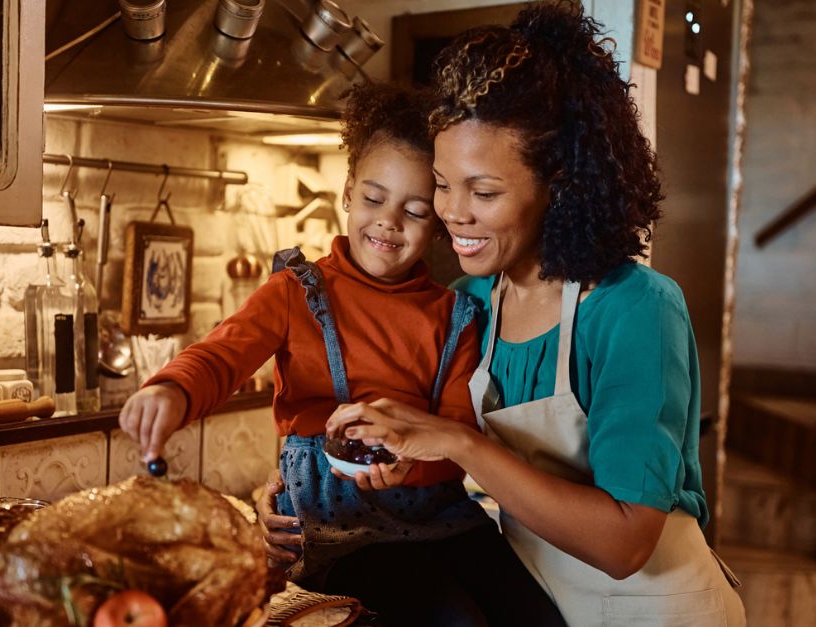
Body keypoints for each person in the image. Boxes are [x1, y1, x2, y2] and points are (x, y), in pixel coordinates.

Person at [295, 3, 748, 625]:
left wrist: (458, 441)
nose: (453, 213)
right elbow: (432, 460)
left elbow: (624, 544)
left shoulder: (633, 307)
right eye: (444, 184)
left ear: (559, 185)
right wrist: (305, 500)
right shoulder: (473, 305)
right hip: (537, 604)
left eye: (483, 192)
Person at [120, 82, 565, 627]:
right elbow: (221, 355)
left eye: (416, 210)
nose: (388, 221)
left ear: (441, 223)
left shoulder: (457, 318)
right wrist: (171, 388)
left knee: (535, 616)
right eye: (375, 198)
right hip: (339, 537)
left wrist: (408, 464)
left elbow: (456, 441)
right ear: (348, 192)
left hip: (443, 519)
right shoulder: (295, 293)